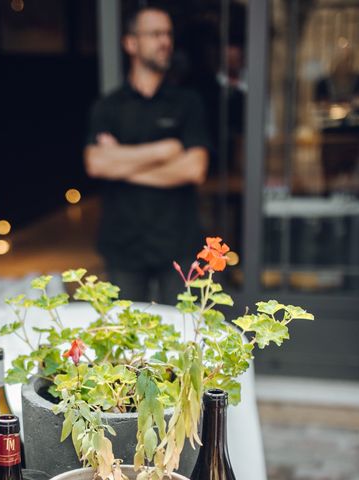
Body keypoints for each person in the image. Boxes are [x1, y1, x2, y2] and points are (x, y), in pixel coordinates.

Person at [84, 5, 210, 304]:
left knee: (179, 342)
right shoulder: (108, 107)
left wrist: (121, 161)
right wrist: (165, 150)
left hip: (178, 244)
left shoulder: (188, 103)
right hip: (123, 245)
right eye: (155, 34)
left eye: (168, 34)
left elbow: (194, 169)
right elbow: (95, 163)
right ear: (131, 43)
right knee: (126, 341)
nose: (165, 41)